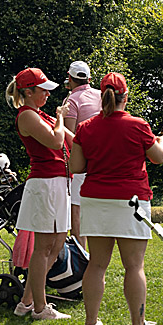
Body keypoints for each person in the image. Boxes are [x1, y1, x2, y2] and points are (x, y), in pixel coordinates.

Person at [68, 72, 163, 325]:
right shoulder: (138, 125)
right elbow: (159, 158)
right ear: (126, 97)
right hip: (131, 200)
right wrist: (162, 141)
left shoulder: (86, 127)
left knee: (97, 265)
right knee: (134, 266)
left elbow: (76, 166)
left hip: (95, 199)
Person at [5, 67, 74, 321]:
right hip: (45, 184)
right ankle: (39, 307)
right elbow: (56, 141)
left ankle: (26, 302)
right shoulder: (26, 116)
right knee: (44, 247)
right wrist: (61, 119)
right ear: (28, 92)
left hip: (57, 183)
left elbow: (72, 140)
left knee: (55, 245)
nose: (46, 94)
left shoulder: (40, 114)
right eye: (42, 90)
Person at [62, 60, 103, 249]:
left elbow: (69, 137)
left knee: (77, 210)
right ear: (89, 78)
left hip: (83, 162)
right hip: (105, 160)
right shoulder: (102, 95)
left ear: (69, 78)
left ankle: (80, 254)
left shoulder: (71, 101)